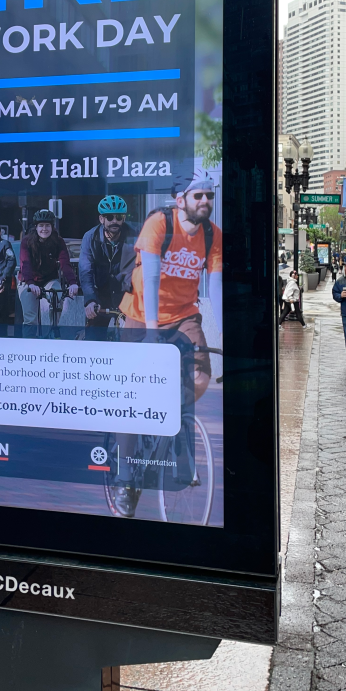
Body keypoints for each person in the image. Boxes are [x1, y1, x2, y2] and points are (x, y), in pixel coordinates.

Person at [115, 169, 222, 517]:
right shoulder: (159, 224)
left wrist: (225, 336)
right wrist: (149, 333)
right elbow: (149, 277)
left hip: (183, 315)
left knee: (200, 375)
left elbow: (216, 289)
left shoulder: (212, 235)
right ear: (181, 201)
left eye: (210, 195)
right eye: (198, 196)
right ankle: (125, 477)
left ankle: (174, 427)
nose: (206, 201)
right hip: (141, 313)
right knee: (134, 398)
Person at [79, 196, 137, 338]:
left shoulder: (134, 235)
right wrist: (90, 300)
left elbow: (139, 268)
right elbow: (86, 271)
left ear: (123, 219)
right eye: (110, 217)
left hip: (126, 295)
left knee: (135, 341)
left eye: (119, 217)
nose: (114, 221)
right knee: (93, 340)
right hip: (100, 297)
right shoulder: (90, 237)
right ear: (101, 219)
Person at [18, 210, 78, 335]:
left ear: (52, 227)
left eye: (47, 225)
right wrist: (30, 283)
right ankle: (29, 348)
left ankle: (52, 332)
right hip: (28, 281)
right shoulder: (27, 241)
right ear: (36, 227)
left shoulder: (58, 241)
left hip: (49, 279)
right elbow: (26, 264)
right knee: (31, 319)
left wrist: (72, 282)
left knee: (57, 298)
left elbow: (65, 263)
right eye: (41, 225)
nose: (44, 229)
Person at [0, 224, 17, 326]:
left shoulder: (5, 244)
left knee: (2, 308)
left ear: (0, 232)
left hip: (2, 279)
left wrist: (5, 275)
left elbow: (12, 260)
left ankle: (1, 334)